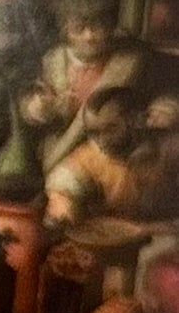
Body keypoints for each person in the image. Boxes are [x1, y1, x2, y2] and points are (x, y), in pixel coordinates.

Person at [23, 0, 164, 169]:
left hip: (115, 152)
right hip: (59, 150)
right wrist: (36, 109)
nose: (89, 36)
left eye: (97, 27)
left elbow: (160, 94)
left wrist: (163, 109)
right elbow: (35, 99)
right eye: (79, 29)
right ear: (66, 31)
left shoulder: (132, 61)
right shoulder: (52, 61)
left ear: (110, 28)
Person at [45, 85, 179, 224]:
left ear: (136, 120)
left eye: (111, 129)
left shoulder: (170, 148)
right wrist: (63, 207)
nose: (102, 140)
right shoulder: (91, 155)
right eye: (94, 132)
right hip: (114, 233)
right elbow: (64, 185)